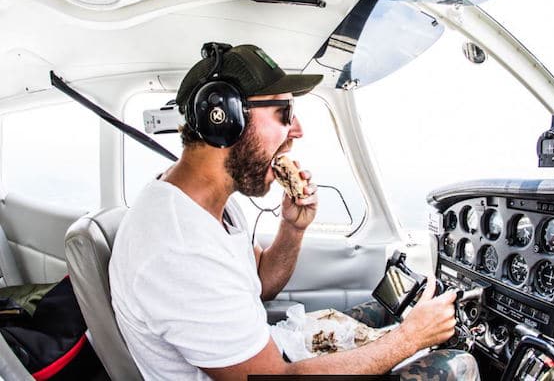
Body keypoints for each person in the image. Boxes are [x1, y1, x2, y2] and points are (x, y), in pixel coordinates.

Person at [109, 43, 479, 381]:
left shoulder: (207, 203)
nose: (297, 130)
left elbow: (260, 284)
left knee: (384, 310)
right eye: (284, 113)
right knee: (455, 367)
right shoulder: (179, 247)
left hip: (264, 360)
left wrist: (293, 227)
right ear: (223, 117)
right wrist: (410, 339)